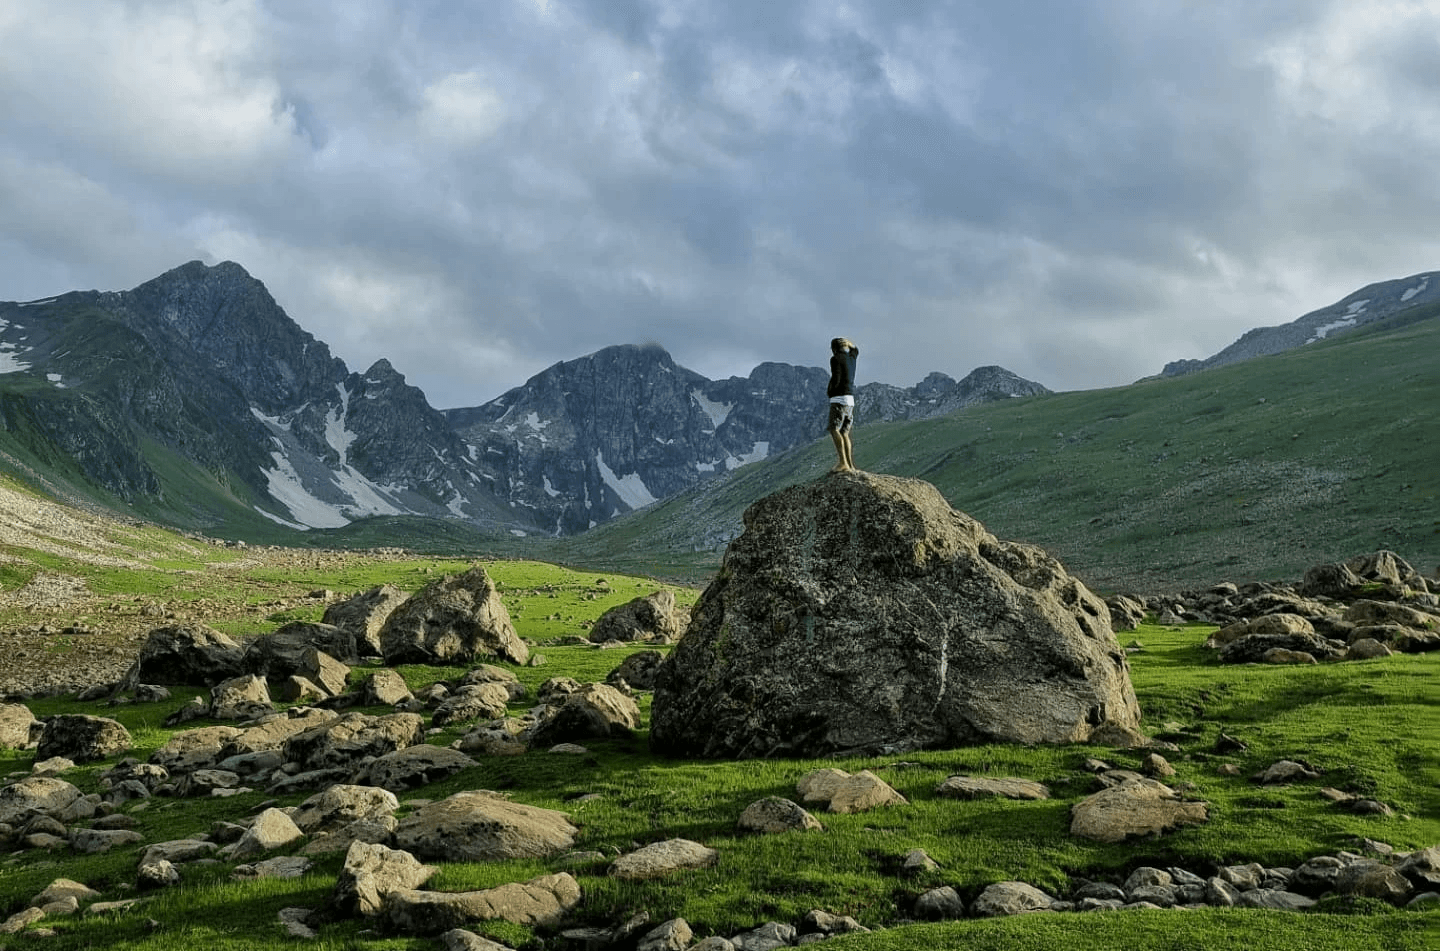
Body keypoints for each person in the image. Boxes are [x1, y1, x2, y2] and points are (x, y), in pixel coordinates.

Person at [826, 336, 859, 472]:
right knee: (845, 432)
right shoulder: (851, 358)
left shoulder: (835, 359)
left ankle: (842, 462)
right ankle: (850, 465)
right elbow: (856, 351)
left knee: (834, 429)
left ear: (834, 349)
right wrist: (851, 344)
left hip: (839, 399)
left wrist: (831, 391)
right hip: (850, 400)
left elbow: (836, 377)